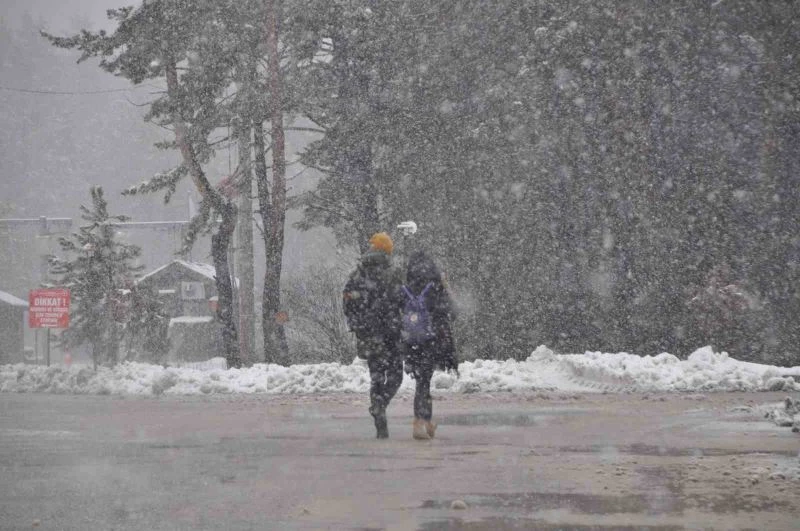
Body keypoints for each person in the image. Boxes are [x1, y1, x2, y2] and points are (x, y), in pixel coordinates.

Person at [342, 232, 405, 439]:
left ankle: (380, 424)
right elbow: (405, 302)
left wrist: (357, 325)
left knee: (376, 377)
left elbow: (347, 302)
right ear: (388, 251)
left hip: (368, 335)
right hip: (392, 333)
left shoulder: (357, 274)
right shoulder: (394, 273)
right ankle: (381, 404)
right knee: (395, 376)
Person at [401, 249, 458, 440]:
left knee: (421, 381)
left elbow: (397, 314)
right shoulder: (435, 287)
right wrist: (445, 286)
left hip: (411, 341)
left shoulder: (406, 288)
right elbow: (453, 312)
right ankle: (421, 422)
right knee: (424, 382)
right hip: (430, 341)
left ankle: (425, 421)